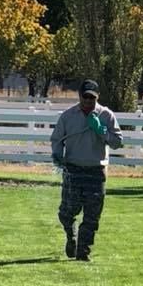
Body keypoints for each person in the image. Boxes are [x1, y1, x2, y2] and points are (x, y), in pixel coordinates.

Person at [50, 79, 123, 261]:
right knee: (67, 212)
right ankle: (71, 236)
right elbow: (57, 139)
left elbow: (117, 143)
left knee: (92, 216)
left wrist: (101, 130)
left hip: (96, 171)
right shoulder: (68, 116)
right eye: (86, 97)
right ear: (79, 96)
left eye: (92, 98)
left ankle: (83, 251)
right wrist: (58, 155)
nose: (89, 101)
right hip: (73, 170)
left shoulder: (106, 115)